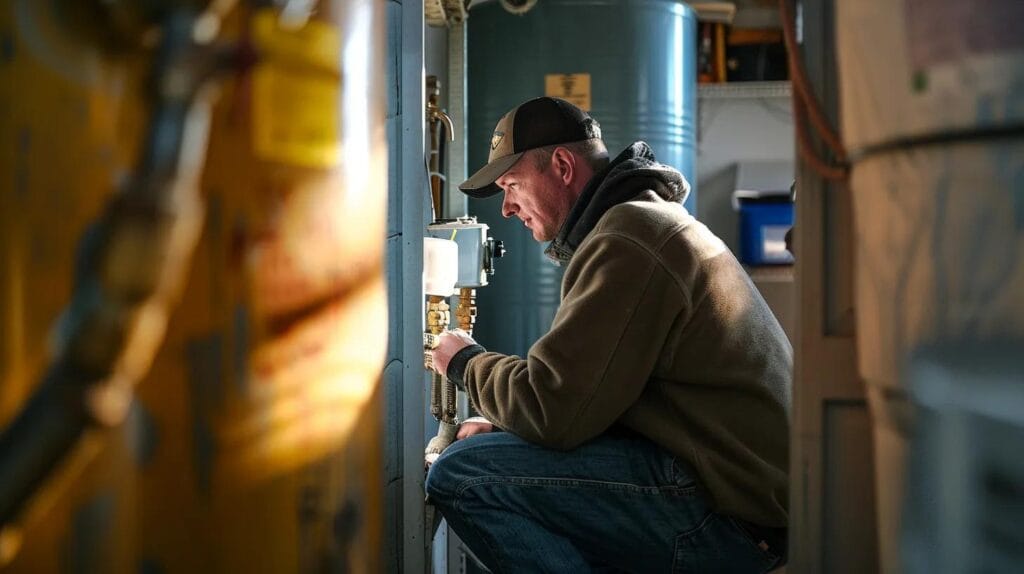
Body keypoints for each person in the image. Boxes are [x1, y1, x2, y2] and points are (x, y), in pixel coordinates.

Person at [425, 96, 792, 573]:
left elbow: (552, 410)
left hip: (727, 518)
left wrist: (464, 361)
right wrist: (503, 428)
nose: (509, 208)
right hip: (744, 500)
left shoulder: (629, 238)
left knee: (463, 473)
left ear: (561, 165)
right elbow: (600, 399)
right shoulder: (646, 222)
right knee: (487, 452)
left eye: (512, 185)